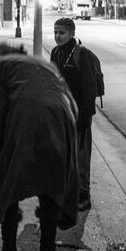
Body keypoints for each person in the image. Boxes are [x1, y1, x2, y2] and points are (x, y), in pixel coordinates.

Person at [0, 42, 78, 251]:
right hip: (63, 119)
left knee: (10, 184)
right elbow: (71, 102)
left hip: (27, 118)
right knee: (51, 186)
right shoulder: (44, 64)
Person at [50, 17, 98, 212]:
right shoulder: (55, 53)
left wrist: (84, 119)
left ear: (71, 33)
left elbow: (89, 89)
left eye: (61, 33)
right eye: (55, 32)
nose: (57, 36)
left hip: (79, 116)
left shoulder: (82, 55)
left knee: (81, 158)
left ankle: (83, 196)